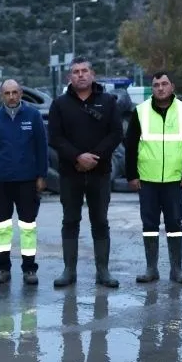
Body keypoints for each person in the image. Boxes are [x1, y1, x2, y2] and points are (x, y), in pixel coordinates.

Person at [47, 58, 122, 288]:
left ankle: (103, 272)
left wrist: (94, 158)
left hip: (100, 173)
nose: (80, 75)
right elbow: (55, 138)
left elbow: (116, 134)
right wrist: (78, 157)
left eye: (85, 71)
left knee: (100, 221)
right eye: (76, 72)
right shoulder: (60, 104)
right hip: (70, 174)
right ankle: (69, 271)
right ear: (70, 77)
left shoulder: (108, 102)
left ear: (93, 74)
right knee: (70, 220)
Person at [125, 71, 182, 286]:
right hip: (147, 179)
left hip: (174, 180)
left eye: (164, 84)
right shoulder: (140, 111)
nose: (160, 88)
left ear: (172, 87)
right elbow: (130, 145)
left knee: (174, 224)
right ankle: (151, 268)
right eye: (156, 84)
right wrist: (132, 175)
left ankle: (177, 269)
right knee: (149, 223)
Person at [0, 79, 48, 286]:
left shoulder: (33, 116)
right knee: (2, 227)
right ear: (1, 95)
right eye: (7, 93)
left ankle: (29, 270)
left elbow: (41, 147)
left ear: (20, 94)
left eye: (15, 92)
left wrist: (42, 175)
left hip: (27, 181)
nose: (11, 96)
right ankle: (2, 269)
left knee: (28, 226)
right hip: (1, 182)